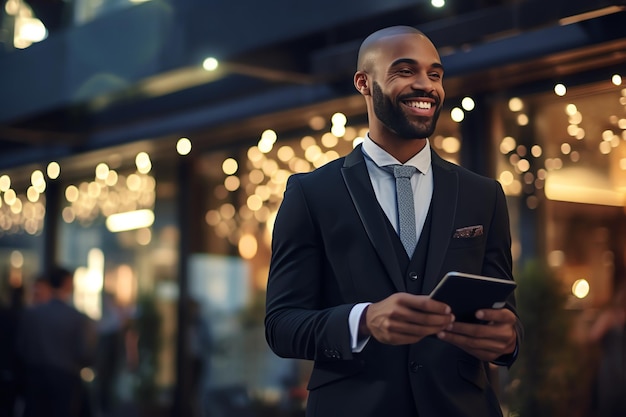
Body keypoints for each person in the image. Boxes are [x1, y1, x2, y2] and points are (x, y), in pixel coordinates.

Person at [265, 25, 523, 417]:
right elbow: (281, 326)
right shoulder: (311, 193)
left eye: (435, 75)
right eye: (405, 71)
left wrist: (507, 339)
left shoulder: (483, 194)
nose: (426, 85)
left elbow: (508, 317)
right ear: (364, 83)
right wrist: (363, 320)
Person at [15, 267, 98, 417]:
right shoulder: (76, 318)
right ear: (67, 283)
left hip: (34, 380)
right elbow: (85, 354)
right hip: (65, 381)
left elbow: (22, 347)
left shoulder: (32, 314)